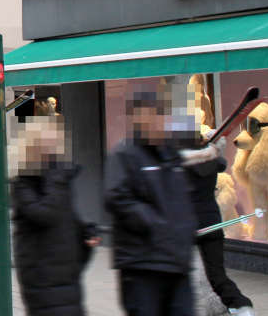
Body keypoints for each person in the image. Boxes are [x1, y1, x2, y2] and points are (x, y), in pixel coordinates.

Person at [104, 88, 196, 316]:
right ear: (137, 119)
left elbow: (182, 199)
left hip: (177, 264)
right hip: (143, 264)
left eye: (162, 115)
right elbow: (116, 197)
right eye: (153, 115)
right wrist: (155, 225)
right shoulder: (124, 155)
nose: (160, 121)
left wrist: (187, 230)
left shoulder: (170, 155)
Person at [11, 116, 99, 316]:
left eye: (56, 138)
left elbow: (68, 225)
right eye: (48, 139)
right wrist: (57, 179)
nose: (54, 145)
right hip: (42, 285)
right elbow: (45, 215)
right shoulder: (24, 183)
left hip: (68, 283)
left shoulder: (58, 180)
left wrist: (86, 235)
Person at [181, 132, 254, 315]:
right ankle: (241, 306)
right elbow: (221, 163)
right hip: (211, 221)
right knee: (217, 274)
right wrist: (213, 148)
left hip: (187, 224)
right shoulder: (213, 162)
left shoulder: (181, 164)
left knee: (183, 273)